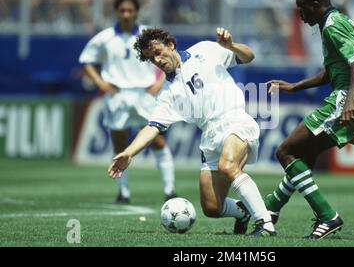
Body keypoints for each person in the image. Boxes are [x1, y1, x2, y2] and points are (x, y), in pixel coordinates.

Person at [107, 27, 276, 237]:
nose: (157, 60)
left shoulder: (206, 49)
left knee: (228, 165)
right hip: (210, 134)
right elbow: (152, 128)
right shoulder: (167, 93)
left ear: (170, 45)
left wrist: (231, 46)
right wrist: (129, 152)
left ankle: (266, 224)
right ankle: (242, 211)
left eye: (158, 52)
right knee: (212, 207)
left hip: (234, 120)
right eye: (151, 58)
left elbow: (249, 56)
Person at [264, 0, 354, 239]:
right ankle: (271, 208)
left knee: (286, 150)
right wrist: (295, 86)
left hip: (351, 97)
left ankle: (328, 216)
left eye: (302, 9)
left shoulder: (333, 25)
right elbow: (332, 70)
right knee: (305, 153)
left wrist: (350, 99)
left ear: (316, 5)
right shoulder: (337, 22)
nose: (300, 15)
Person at [79, 0, 177, 204]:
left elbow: (167, 55)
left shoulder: (146, 34)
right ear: (116, 12)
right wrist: (101, 83)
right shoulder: (105, 37)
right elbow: (86, 60)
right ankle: (123, 192)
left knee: (157, 139)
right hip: (117, 95)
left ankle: (170, 190)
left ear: (136, 12)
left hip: (144, 93)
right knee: (120, 144)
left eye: (130, 10)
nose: (126, 14)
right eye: (122, 10)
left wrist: (160, 83)